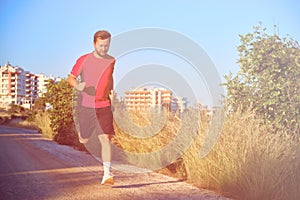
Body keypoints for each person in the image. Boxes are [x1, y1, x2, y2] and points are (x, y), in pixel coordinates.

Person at [68, 30, 115, 185]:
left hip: (104, 105)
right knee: (84, 139)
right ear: (94, 44)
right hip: (87, 106)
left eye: (106, 46)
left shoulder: (111, 60)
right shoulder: (84, 59)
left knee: (106, 139)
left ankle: (107, 174)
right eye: (101, 46)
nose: (104, 49)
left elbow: (109, 76)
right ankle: (83, 134)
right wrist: (78, 85)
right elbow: (71, 78)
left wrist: (111, 90)